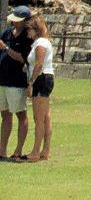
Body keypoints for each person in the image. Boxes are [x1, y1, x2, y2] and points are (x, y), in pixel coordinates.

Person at [0, 7, 31, 161]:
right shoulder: (7, 33)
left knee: (21, 114)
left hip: (17, 82)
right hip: (3, 81)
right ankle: (2, 151)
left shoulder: (27, 37)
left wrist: (5, 48)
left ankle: (18, 151)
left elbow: (22, 58)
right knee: (5, 115)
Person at [23, 16, 52, 162]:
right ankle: (45, 150)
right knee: (45, 117)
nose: (27, 32)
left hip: (41, 78)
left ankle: (35, 151)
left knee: (39, 117)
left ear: (36, 30)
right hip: (45, 78)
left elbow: (39, 64)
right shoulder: (42, 42)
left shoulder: (40, 43)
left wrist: (31, 82)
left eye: (29, 29)